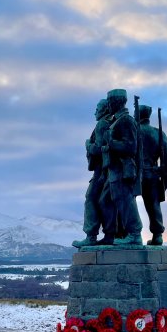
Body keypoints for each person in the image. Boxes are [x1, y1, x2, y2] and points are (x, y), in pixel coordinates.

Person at [97, 89, 143, 245]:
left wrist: (111, 143)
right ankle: (109, 235)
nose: (108, 105)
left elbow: (131, 147)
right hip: (113, 168)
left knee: (125, 200)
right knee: (104, 201)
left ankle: (135, 234)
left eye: (109, 102)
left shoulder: (126, 121)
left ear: (116, 102)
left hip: (123, 169)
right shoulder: (116, 121)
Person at [72, 99, 112, 248]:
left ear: (103, 110)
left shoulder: (102, 124)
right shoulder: (110, 123)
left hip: (101, 171)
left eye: (97, 109)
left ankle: (91, 236)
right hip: (106, 171)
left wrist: (88, 144)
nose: (95, 112)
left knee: (90, 199)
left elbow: (99, 148)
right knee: (104, 202)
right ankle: (106, 234)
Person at [138, 104, 167, 245]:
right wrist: (166, 177)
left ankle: (128, 233)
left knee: (129, 204)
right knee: (153, 205)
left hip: (135, 174)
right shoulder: (159, 133)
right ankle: (157, 235)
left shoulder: (134, 131)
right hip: (153, 174)